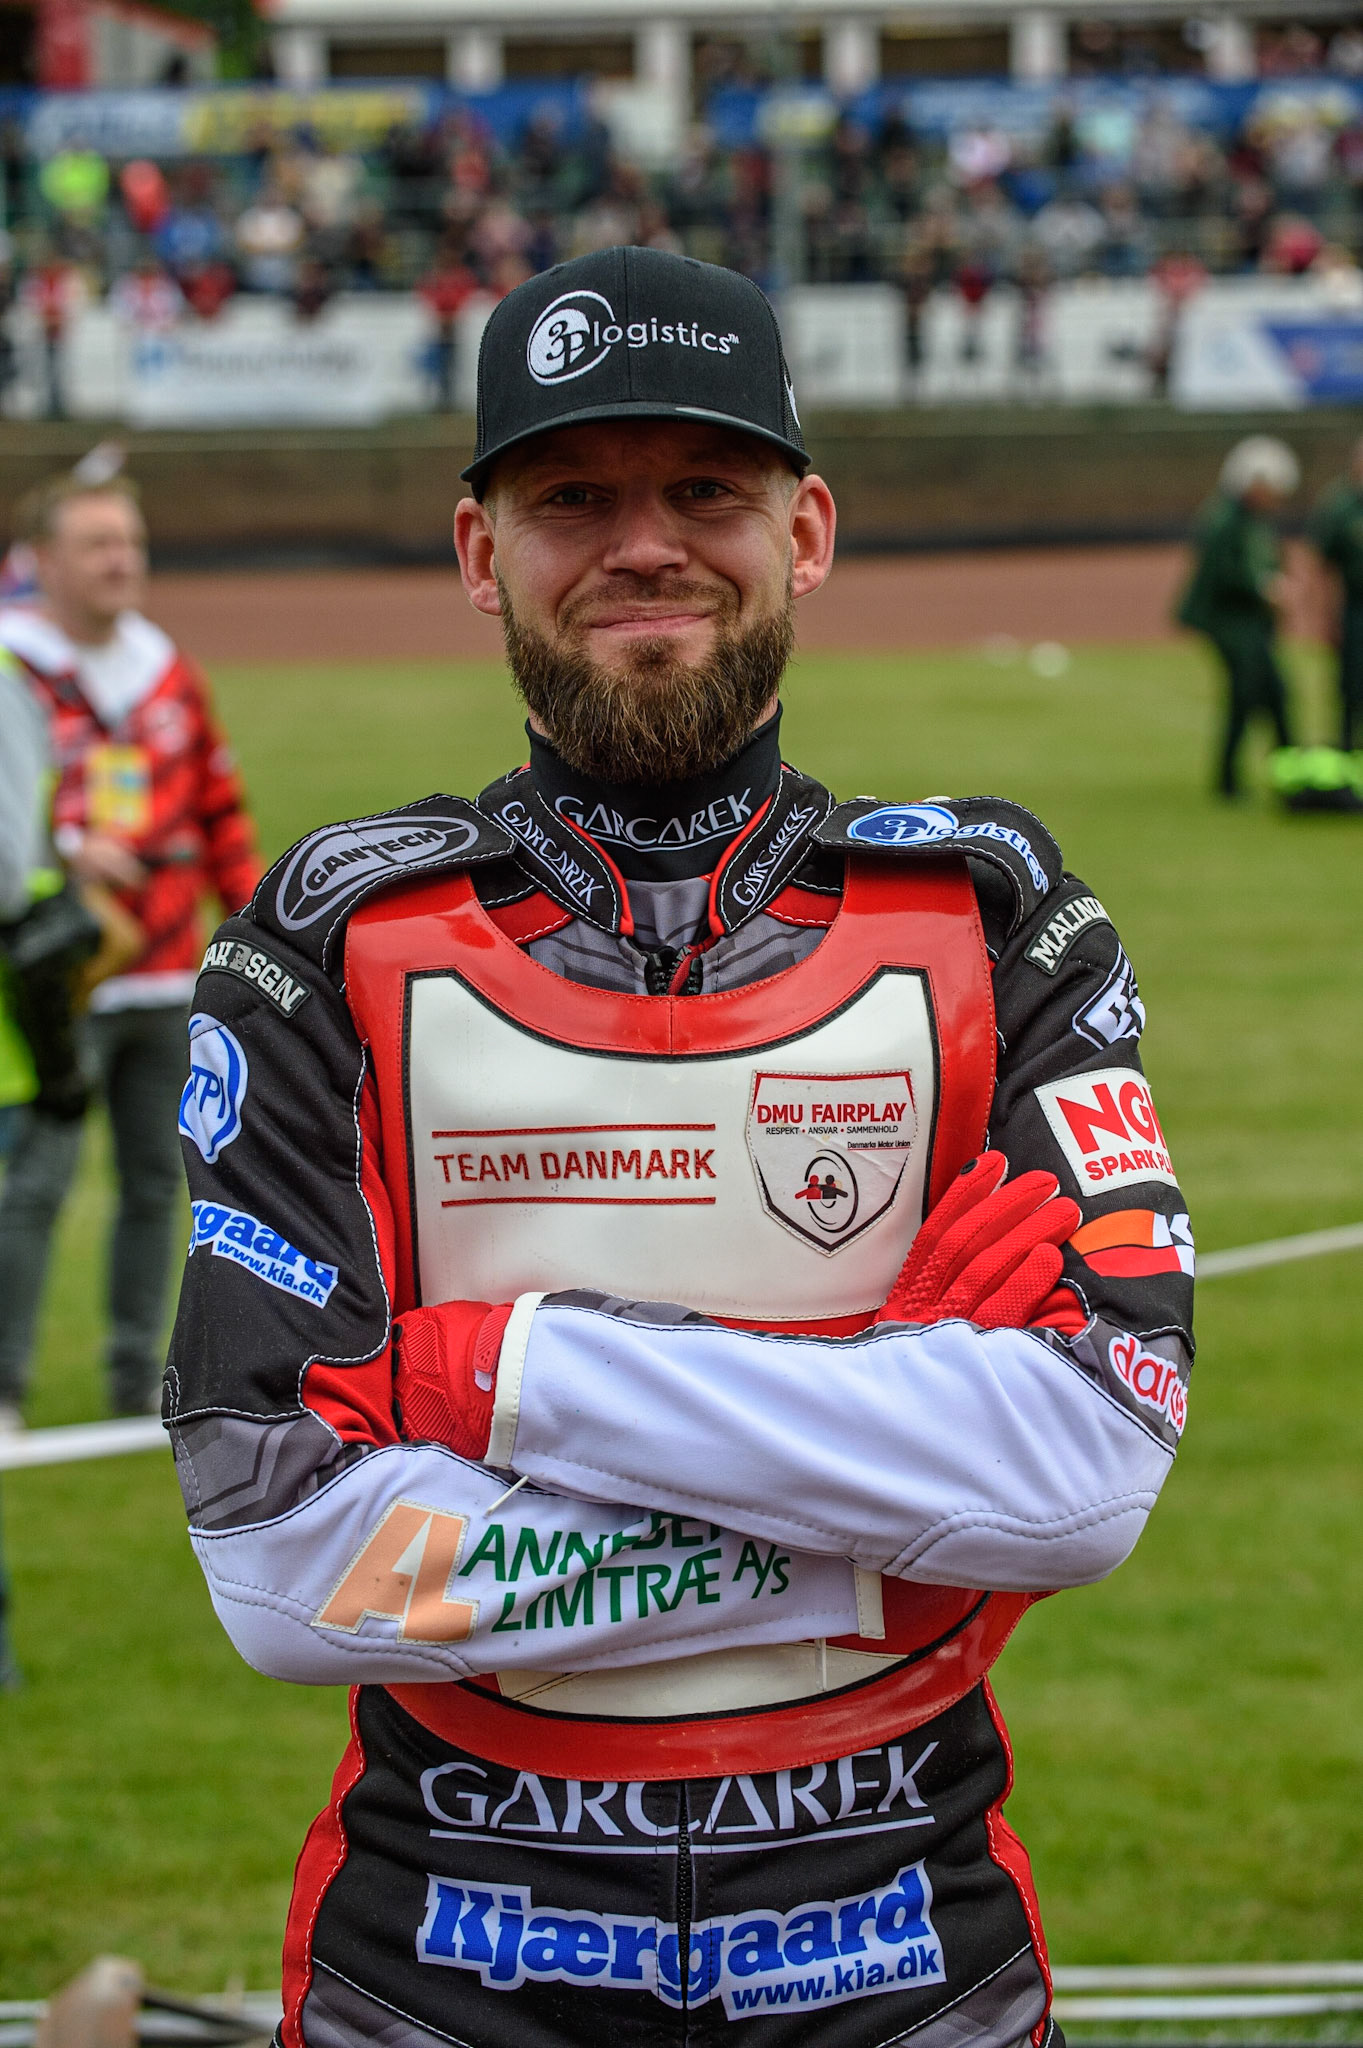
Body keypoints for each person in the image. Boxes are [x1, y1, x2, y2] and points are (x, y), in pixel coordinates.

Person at [167, 247, 1192, 2048]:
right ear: (483, 551)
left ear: (802, 530)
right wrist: (885, 1480)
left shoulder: (990, 910)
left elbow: (1085, 1472)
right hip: (444, 1964)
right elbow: (275, 1556)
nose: (644, 542)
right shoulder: (328, 939)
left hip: (905, 1955)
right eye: (573, 494)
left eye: (703, 487)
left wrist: (502, 1374)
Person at [0, 471, 261, 1421]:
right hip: (49, 979)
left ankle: (130, 1388)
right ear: (40, 563)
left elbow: (220, 811)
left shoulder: (165, 670)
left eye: (130, 542)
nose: (122, 561)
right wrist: (69, 847)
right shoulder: (13, 673)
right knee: (33, 1186)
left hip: (162, 971)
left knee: (160, 1184)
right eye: (98, 544)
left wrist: (251, 933)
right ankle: (6, 1389)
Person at [1176, 436, 1300, 797]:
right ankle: (1233, 780)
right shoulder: (1225, 519)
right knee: (1248, 694)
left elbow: (1269, 561)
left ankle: (1286, 771)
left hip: (1251, 624)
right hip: (1231, 624)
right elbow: (1225, 573)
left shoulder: (1255, 520)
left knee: (1272, 694)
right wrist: (1265, 588)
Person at [1307, 433, 1363, 751]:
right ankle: (1347, 750)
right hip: (1355, 606)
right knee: (1352, 684)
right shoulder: (1340, 505)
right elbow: (1321, 566)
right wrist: (1326, 615)